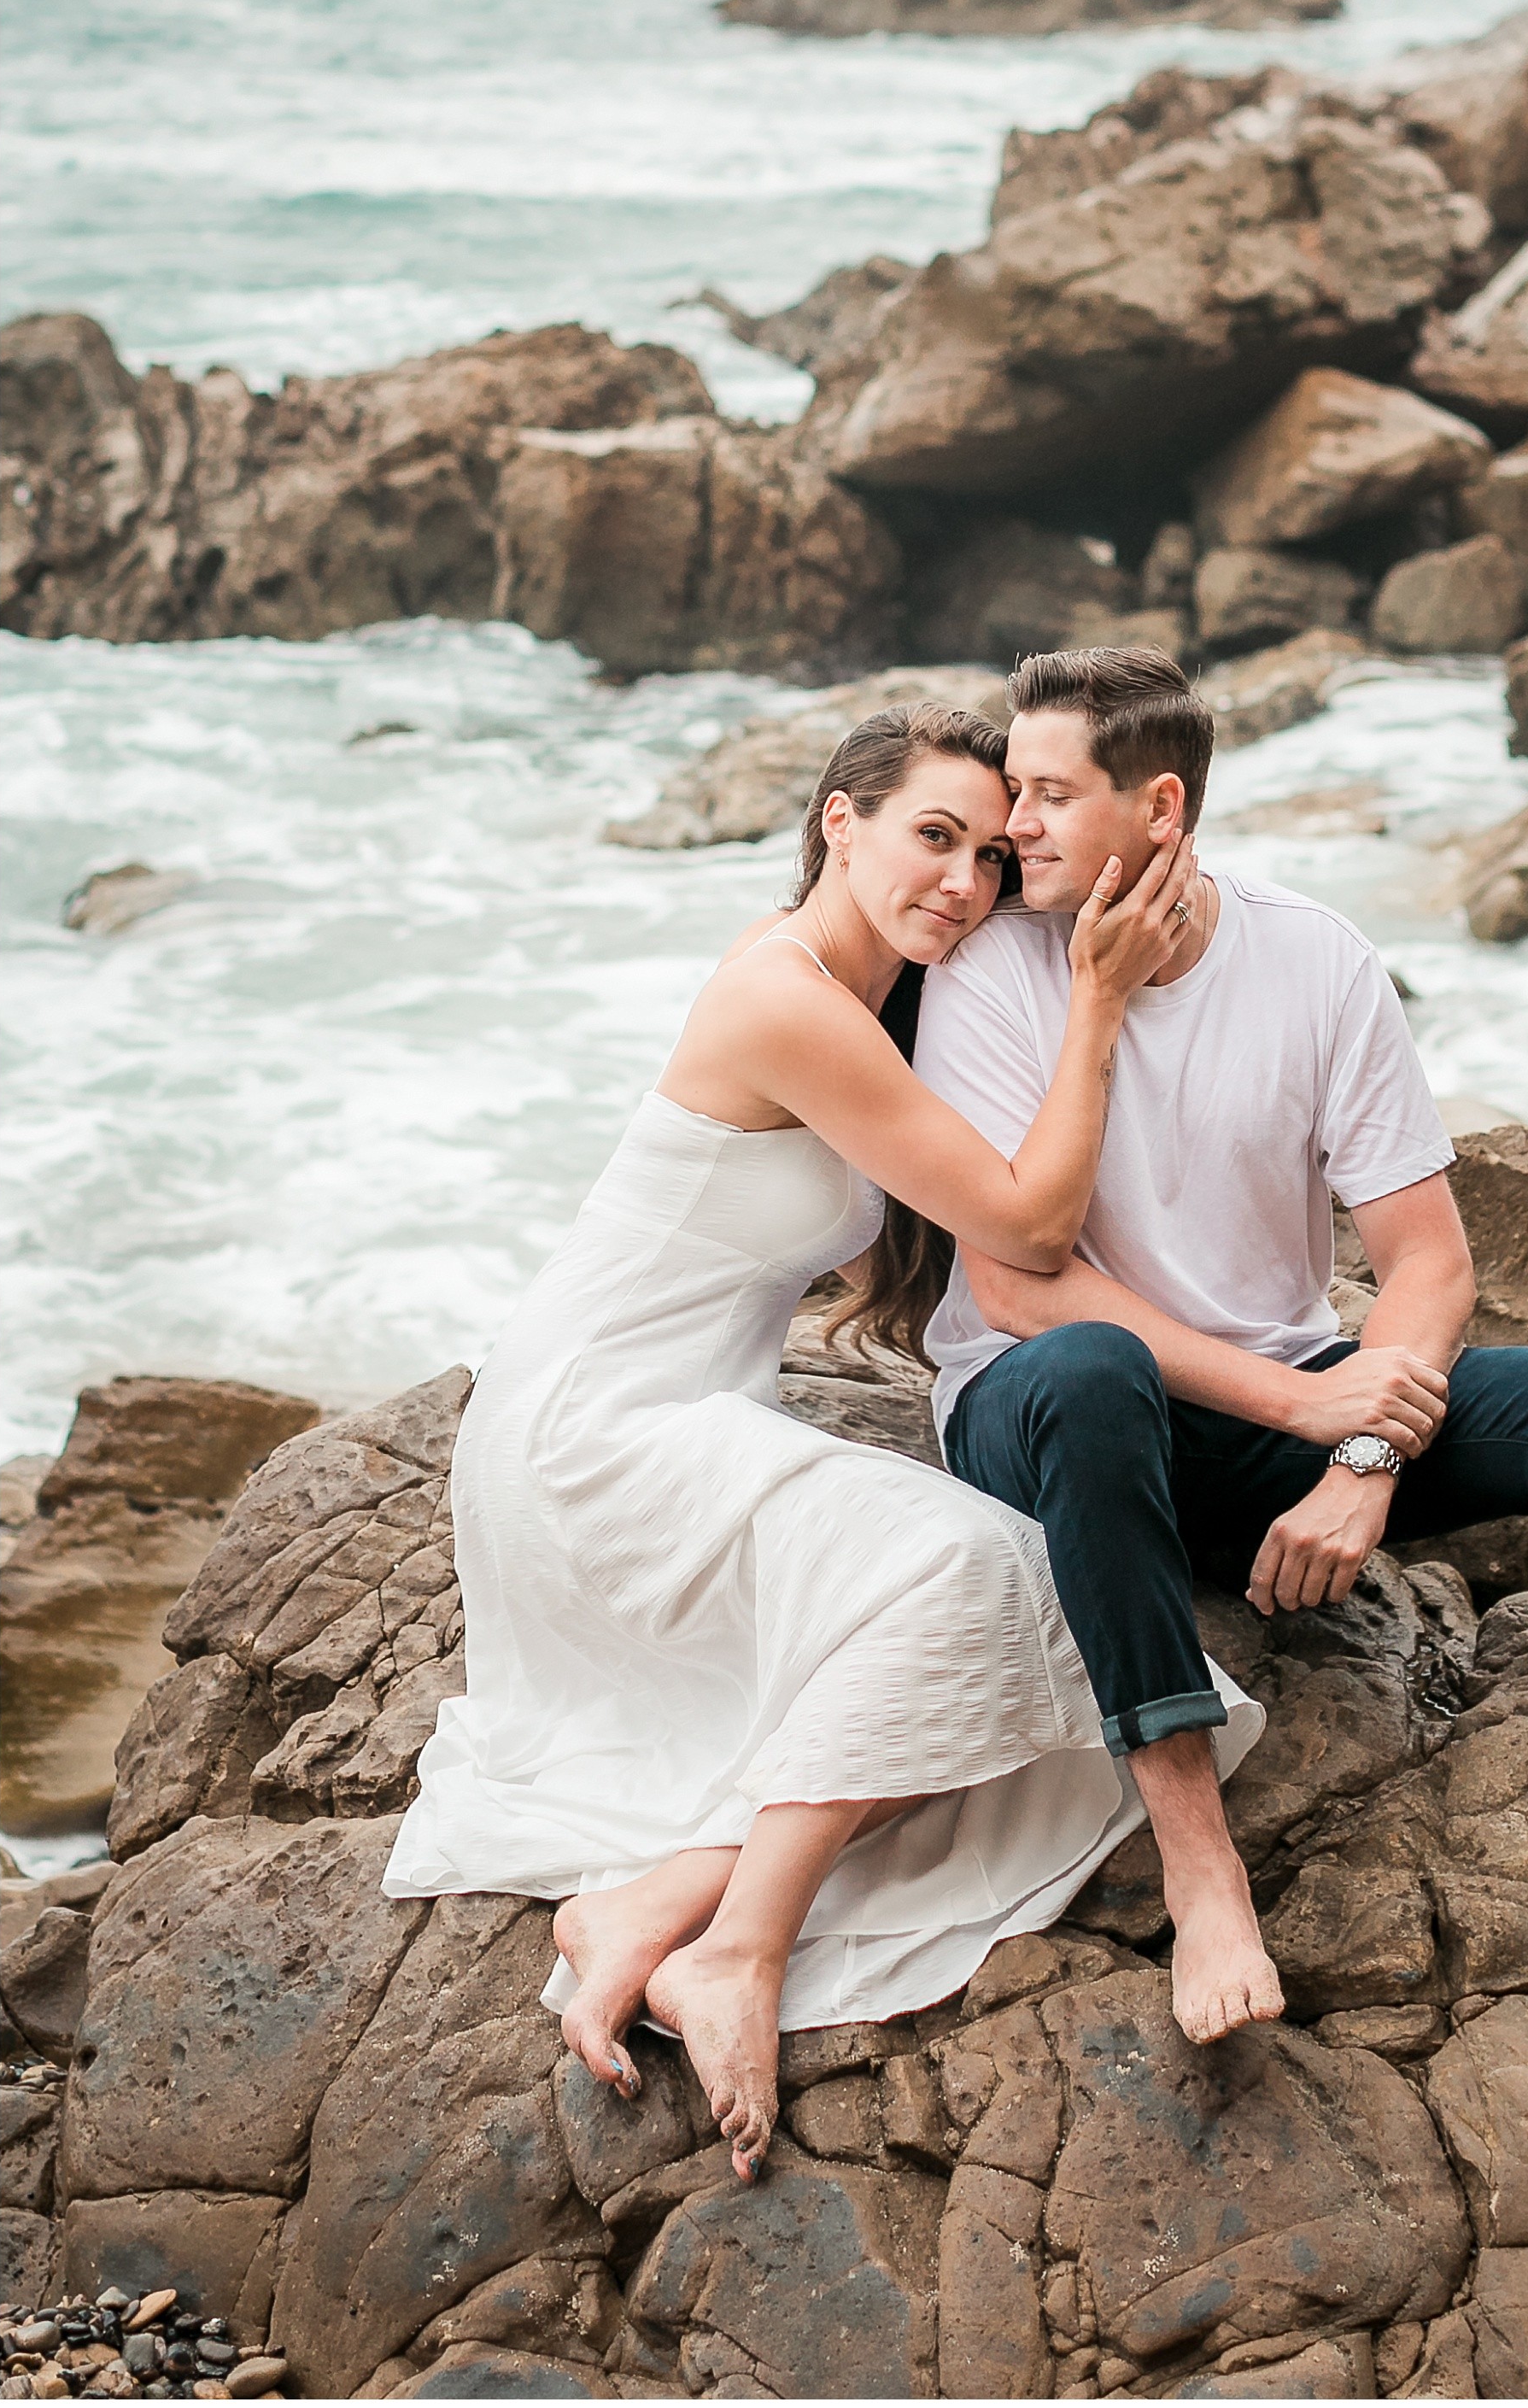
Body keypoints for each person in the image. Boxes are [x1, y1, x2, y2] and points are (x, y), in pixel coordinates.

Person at [915, 646, 1528, 2040]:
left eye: (1052, 794)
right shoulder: (992, 976)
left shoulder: (1313, 959)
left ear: (1162, 807)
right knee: (1095, 1366)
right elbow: (1020, 1293)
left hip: (1283, 1408)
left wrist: (1364, 1446)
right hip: (1045, 1412)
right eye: (1017, 793)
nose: (1018, 827)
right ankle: (1204, 1875)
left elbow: (1429, 1261)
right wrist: (1308, 1414)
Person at [384, 702, 1264, 2187]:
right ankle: (739, 1947)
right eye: (934, 836)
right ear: (837, 820)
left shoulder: (879, 999)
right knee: (975, 1581)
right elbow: (1032, 1219)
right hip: (592, 1430)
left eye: (993, 855)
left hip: (685, 1413)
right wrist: (1101, 1004)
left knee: (1026, 1617)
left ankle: (651, 1904)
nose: (967, 884)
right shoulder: (786, 997)